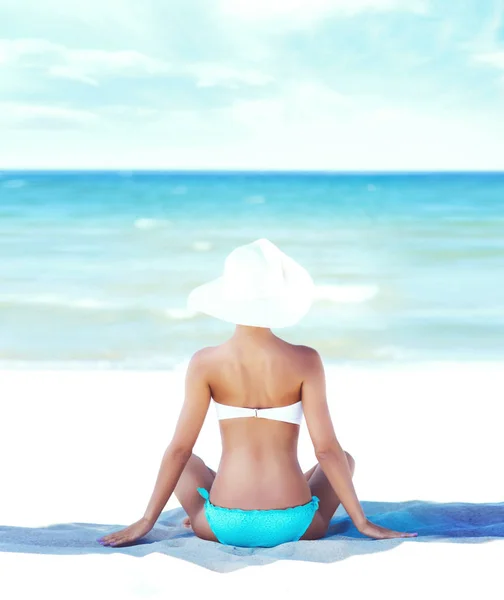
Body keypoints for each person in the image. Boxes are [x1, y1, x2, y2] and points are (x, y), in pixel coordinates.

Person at [97, 238, 417, 548]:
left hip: (222, 525)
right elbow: (326, 452)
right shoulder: (305, 360)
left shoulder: (205, 362)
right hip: (296, 524)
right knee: (343, 459)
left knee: (187, 460)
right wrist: (362, 522)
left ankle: (204, 510)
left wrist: (147, 520)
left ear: (227, 295)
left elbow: (179, 450)